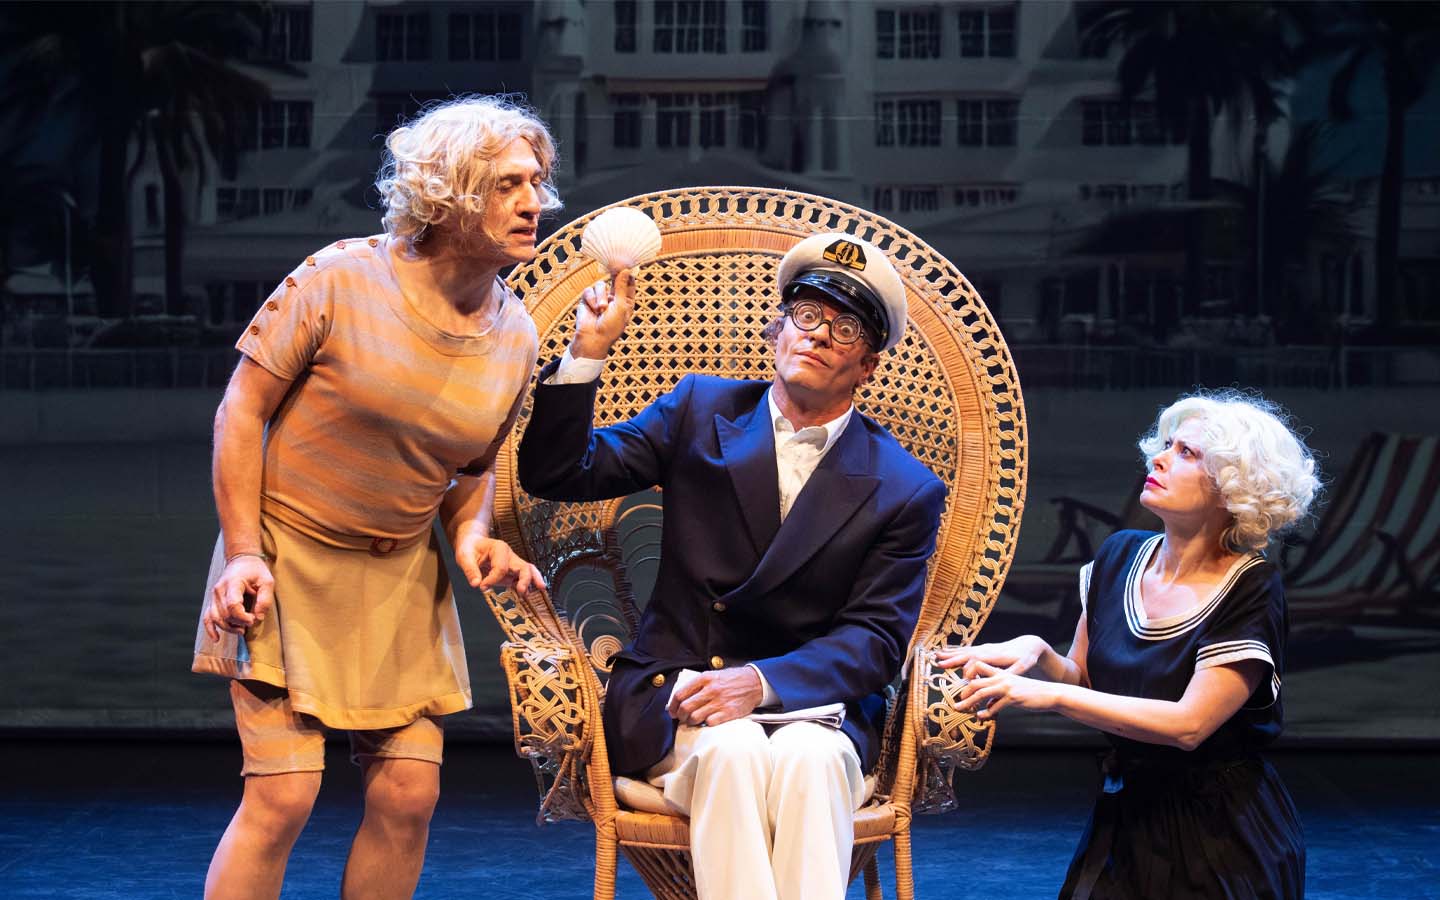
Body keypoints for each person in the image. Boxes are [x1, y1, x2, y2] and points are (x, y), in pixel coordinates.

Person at [191, 96, 555, 900]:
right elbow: (240, 411)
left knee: (409, 795)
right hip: (284, 561)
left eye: (536, 182)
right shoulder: (340, 279)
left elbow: (470, 470)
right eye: (508, 185)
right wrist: (243, 552)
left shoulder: (516, 334)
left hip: (398, 580)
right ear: (449, 194)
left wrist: (472, 539)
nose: (534, 202)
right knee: (283, 797)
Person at [516, 233, 946, 900]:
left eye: (844, 328)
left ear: (867, 364)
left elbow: (875, 642)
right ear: (778, 330)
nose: (818, 334)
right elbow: (558, 472)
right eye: (807, 315)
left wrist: (760, 682)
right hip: (677, 694)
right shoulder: (700, 409)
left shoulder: (904, 487)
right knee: (733, 750)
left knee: (808, 761)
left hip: (814, 710)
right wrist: (587, 354)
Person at [940, 390, 1320, 900]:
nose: (1159, 459)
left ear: (1232, 487)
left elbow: (1189, 726)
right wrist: (1040, 654)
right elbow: (1086, 683)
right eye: (1166, 446)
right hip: (1126, 818)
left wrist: (1049, 696)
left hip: (1221, 835)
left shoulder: (1250, 587)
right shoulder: (1119, 557)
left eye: (1186, 453)